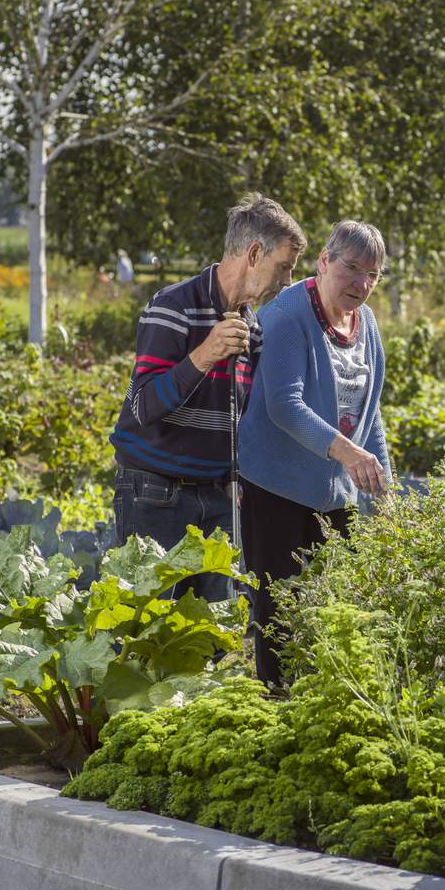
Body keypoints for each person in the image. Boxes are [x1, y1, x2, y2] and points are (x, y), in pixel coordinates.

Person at [109, 193, 306, 603]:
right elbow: (143, 406)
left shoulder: (252, 327)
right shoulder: (173, 306)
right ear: (254, 253)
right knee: (143, 632)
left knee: (210, 638)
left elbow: (244, 418)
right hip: (155, 494)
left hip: (216, 498)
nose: (287, 282)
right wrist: (204, 355)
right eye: (283, 268)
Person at [237, 220, 392, 686]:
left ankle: (323, 701)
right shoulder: (287, 316)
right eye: (352, 269)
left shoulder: (367, 324)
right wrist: (350, 455)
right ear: (324, 261)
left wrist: (383, 483)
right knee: (279, 610)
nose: (362, 284)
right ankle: (279, 706)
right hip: (275, 486)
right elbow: (285, 405)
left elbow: (370, 412)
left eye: (374, 274)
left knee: (336, 605)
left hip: (335, 492)